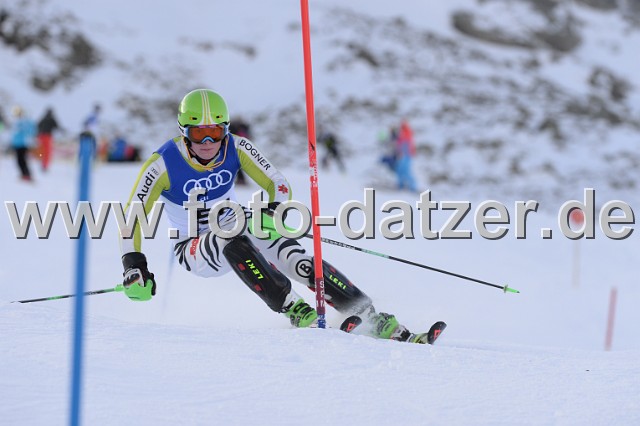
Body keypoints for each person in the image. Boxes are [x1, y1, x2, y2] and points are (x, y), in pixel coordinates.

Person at [118, 89, 426, 343]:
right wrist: (134, 266)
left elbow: (277, 183)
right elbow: (133, 217)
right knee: (230, 234)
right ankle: (293, 308)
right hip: (195, 247)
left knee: (295, 257)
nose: (209, 143)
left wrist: (272, 210)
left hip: (236, 223)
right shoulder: (162, 164)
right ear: (184, 132)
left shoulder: (237, 147)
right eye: (199, 134)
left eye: (215, 132)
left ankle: (368, 315)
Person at [10, 106, 36, 182]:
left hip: (23, 144)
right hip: (17, 144)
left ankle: (27, 174)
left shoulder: (25, 121)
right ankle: (24, 174)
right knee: (19, 160)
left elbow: (31, 130)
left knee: (22, 160)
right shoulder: (16, 121)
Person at [394, 120, 417, 192]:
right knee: (400, 170)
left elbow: (405, 146)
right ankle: (401, 185)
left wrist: (402, 153)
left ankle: (413, 187)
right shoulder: (402, 134)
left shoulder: (406, 133)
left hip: (406, 156)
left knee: (406, 171)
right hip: (403, 155)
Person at [228, 117, 251, 185]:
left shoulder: (234, 128)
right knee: (238, 165)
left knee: (237, 165)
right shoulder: (244, 128)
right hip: (242, 148)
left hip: (236, 148)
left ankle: (240, 179)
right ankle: (240, 179)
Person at [36, 107, 60, 172]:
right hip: (47, 137)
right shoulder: (52, 119)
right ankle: (44, 165)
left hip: (41, 137)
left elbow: (37, 126)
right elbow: (57, 127)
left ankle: (42, 164)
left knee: (42, 151)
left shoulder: (43, 118)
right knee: (47, 152)